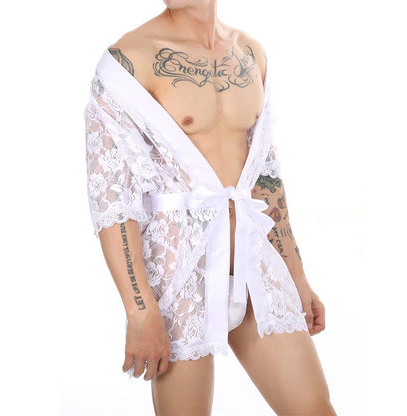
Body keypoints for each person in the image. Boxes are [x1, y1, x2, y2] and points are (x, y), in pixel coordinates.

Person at [84, 0, 338, 414]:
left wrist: (297, 275)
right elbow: (112, 196)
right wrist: (139, 308)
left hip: (256, 265)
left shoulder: (250, 53)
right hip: (181, 277)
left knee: (314, 409)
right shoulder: (130, 59)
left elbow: (266, 174)